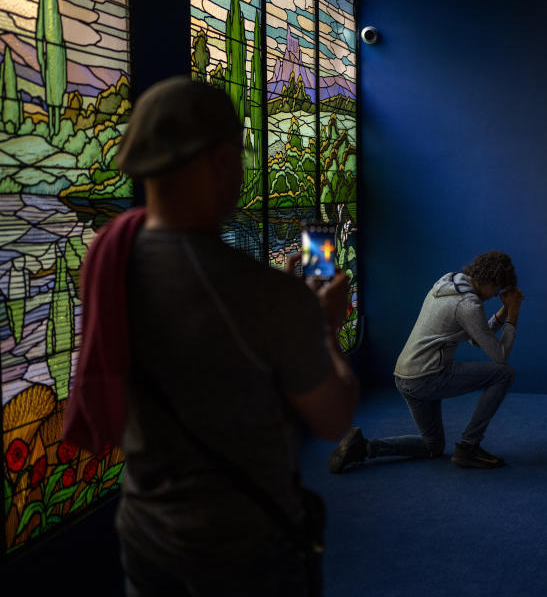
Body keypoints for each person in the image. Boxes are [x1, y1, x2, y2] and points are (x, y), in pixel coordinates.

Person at [72, 77, 359, 596]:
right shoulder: (270, 296)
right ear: (223, 162)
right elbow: (333, 417)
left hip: (145, 532)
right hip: (245, 546)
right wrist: (324, 327)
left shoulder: (107, 262)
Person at [329, 251, 524, 471]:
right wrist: (513, 314)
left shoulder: (448, 282)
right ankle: (469, 447)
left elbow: (476, 339)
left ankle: (364, 448)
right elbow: (500, 355)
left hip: (405, 377)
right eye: (498, 289)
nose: (496, 295)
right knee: (504, 373)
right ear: (494, 281)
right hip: (427, 377)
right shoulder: (468, 304)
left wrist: (503, 310)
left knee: (433, 445)